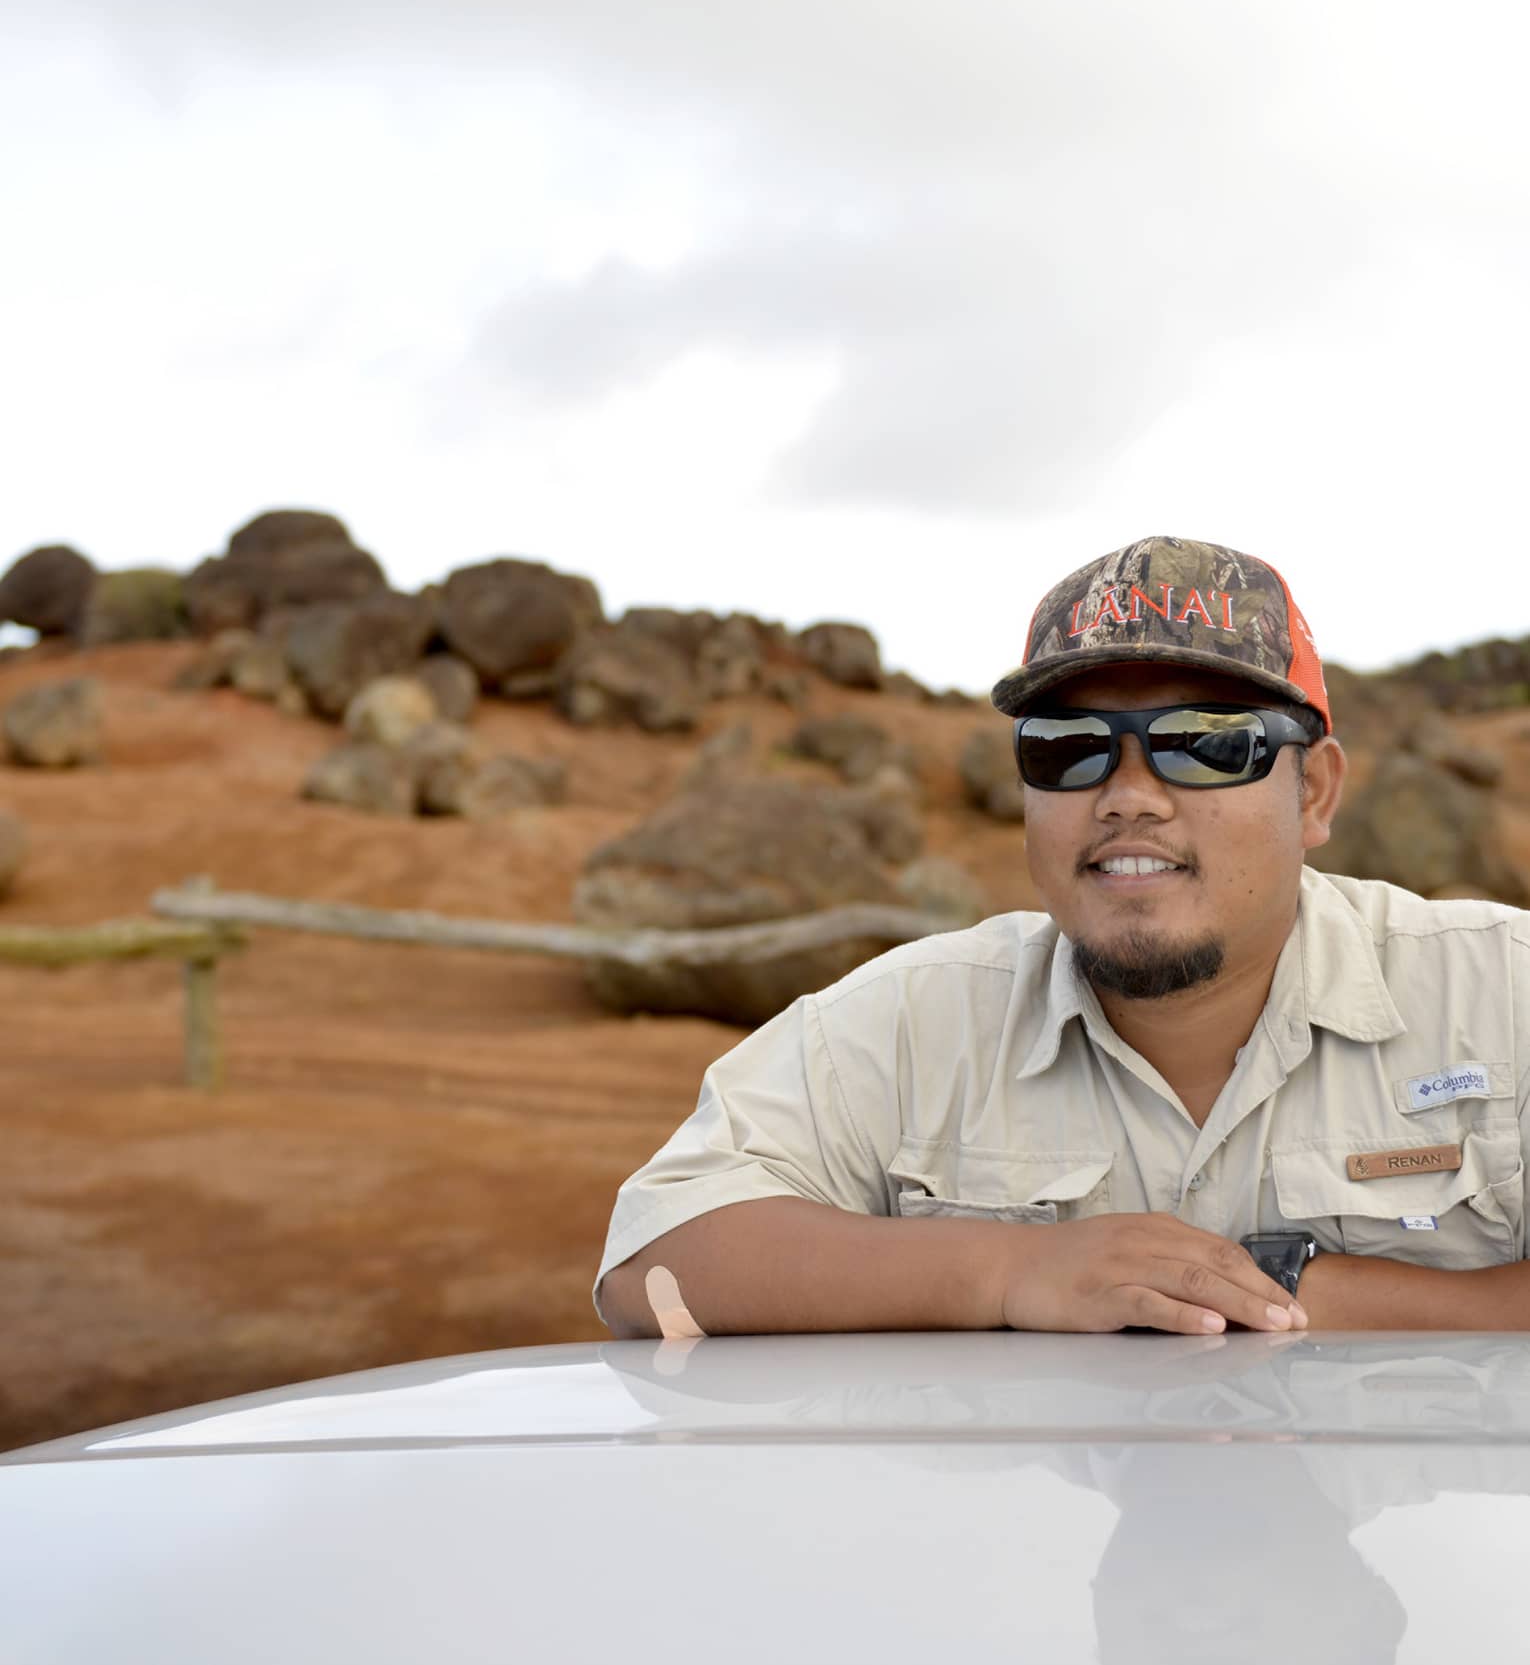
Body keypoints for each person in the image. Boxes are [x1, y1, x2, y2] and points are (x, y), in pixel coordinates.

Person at [595, 536, 1530, 1338]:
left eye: (1205, 741)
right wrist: (1009, 1273)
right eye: (1066, 747)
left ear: (1315, 792)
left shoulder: (1500, 992)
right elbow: (656, 1259)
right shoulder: (915, 1020)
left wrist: (1289, 1296)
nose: (1127, 793)